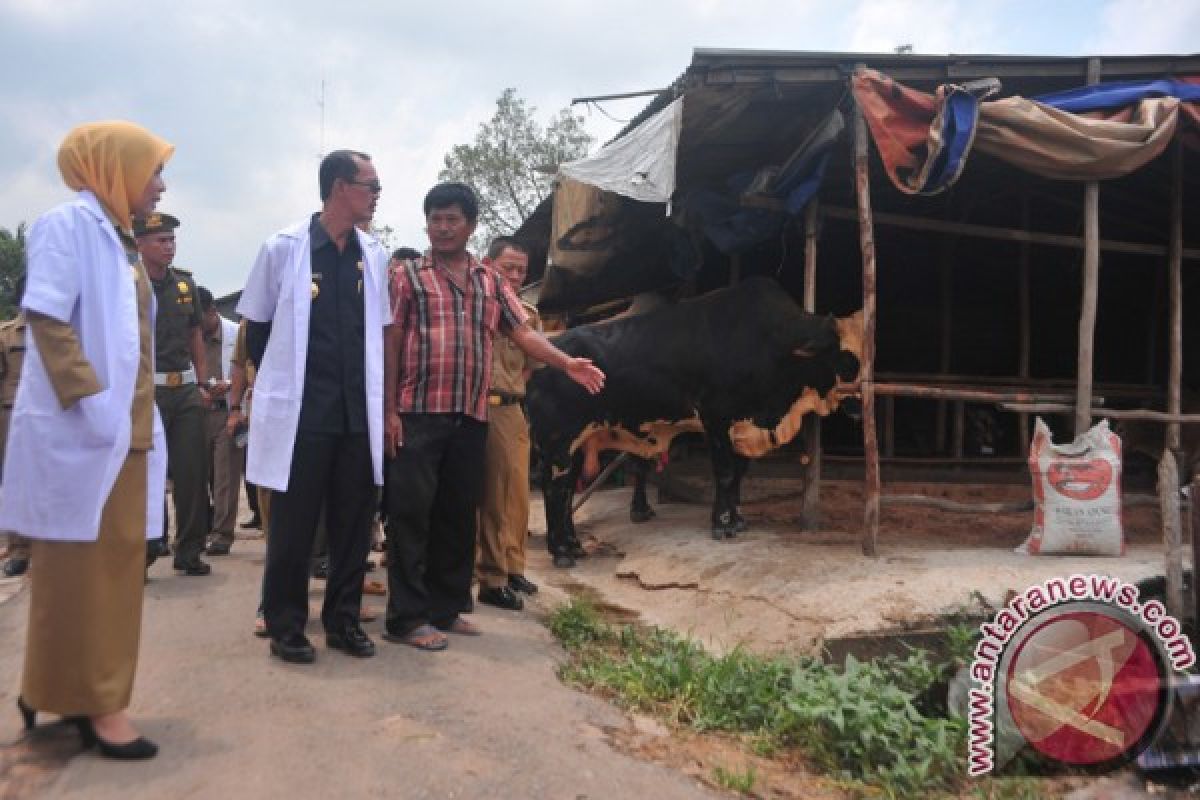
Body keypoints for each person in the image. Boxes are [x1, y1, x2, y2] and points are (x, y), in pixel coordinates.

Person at [0, 120, 172, 759]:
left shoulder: (120, 240)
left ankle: (51, 687)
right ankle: (99, 706)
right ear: (116, 165)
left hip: (121, 434)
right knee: (87, 576)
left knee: (102, 573)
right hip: (90, 432)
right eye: (152, 170)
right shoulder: (66, 225)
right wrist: (93, 403)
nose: (159, 185)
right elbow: (46, 316)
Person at [382, 182, 604, 651]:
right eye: (435, 218)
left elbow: (522, 334)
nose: (442, 227)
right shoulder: (408, 276)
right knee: (411, 516)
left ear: (471, 226)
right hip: (418, 412)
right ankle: (406, 617)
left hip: (471, 414)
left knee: (457, 515)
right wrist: (387, 408)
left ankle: (446, 607)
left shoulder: (489, 282)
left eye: (452, 219)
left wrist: (566, 362)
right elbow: (391, 340)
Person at [237, 149, 391, 664]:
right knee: (294, 526)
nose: (375, 196)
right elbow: (256, 330)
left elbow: (380, 334)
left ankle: (343, 621)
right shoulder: (284, 249)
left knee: (353, 523)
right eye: (370, 186)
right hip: (304, 415)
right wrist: (283, 382)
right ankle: (286, 626)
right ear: (340, 187)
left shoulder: (374, 255)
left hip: (356, 415)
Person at [135, 212, 211, 576]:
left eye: (171, 240)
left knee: (192, 474)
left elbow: (195, 333)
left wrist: (203, 382)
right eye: (160, 241)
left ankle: (190, 550)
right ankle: (144, 551)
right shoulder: (130, 285)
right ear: (140, 245)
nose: (168, 247)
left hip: (185, 392)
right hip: (147, 391)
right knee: (145, 475)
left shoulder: (185, 286)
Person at [475, 237, 541, 610]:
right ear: (487, 265)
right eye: (508, 268)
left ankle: (511, 564)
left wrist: (509, 392)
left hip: (511, 409)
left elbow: (531, 367)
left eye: (521, 271)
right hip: (477, 406)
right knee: (482, 495)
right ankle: (486, 569)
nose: (515, 277)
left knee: (515, 494)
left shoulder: (529, 315)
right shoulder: (474, 306)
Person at [196, 287, 240, 556]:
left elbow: (249, 370)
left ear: (213, 311)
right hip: (197, 413)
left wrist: (229, 385)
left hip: (227, 412)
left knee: (225, 478)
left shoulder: (236, 333)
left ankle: (223, 534)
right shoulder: (190, 336)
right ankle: (198, 531)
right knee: (197, 476)